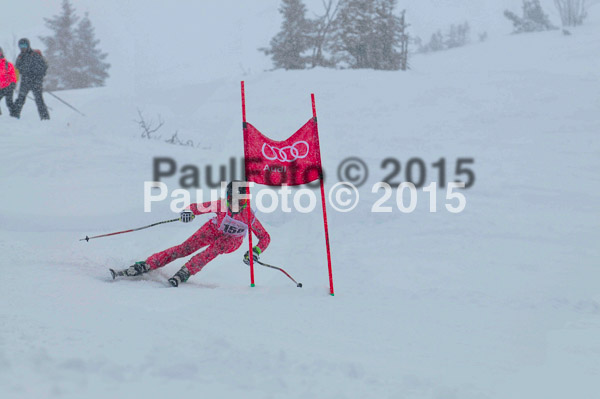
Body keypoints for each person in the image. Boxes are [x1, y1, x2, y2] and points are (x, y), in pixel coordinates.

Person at [110, 181, 271, 287]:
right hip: (214, 229)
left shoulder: (249, 215)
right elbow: (197, 207)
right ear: (228, 197)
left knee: (213, 250)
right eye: (232, 200)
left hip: (232, 240)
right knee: (184, 248)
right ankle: (148, 264)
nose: (235, 205)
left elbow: (265, 237)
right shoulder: (220, 204)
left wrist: (254, 252)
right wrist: (188, 212)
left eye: (240, 201)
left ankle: (186, 271)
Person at [12, 38, 50, 120]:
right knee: (20, 99)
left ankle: (45, 118)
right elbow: (16, 69)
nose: (23, 47)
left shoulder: (35, 55)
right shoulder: (20, 57)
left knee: (39, 100)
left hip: (35, 82)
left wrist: (38, 78)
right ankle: (14, 116)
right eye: (21, 45)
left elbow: (43, 68)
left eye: (24, 45)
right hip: (25, 81)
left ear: (28, 45)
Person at [0, 47, 17, 117]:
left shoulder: (7, 64)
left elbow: (12, 74)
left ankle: (14, 115)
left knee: (9, 103)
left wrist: (13, 83)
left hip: (8, 87)